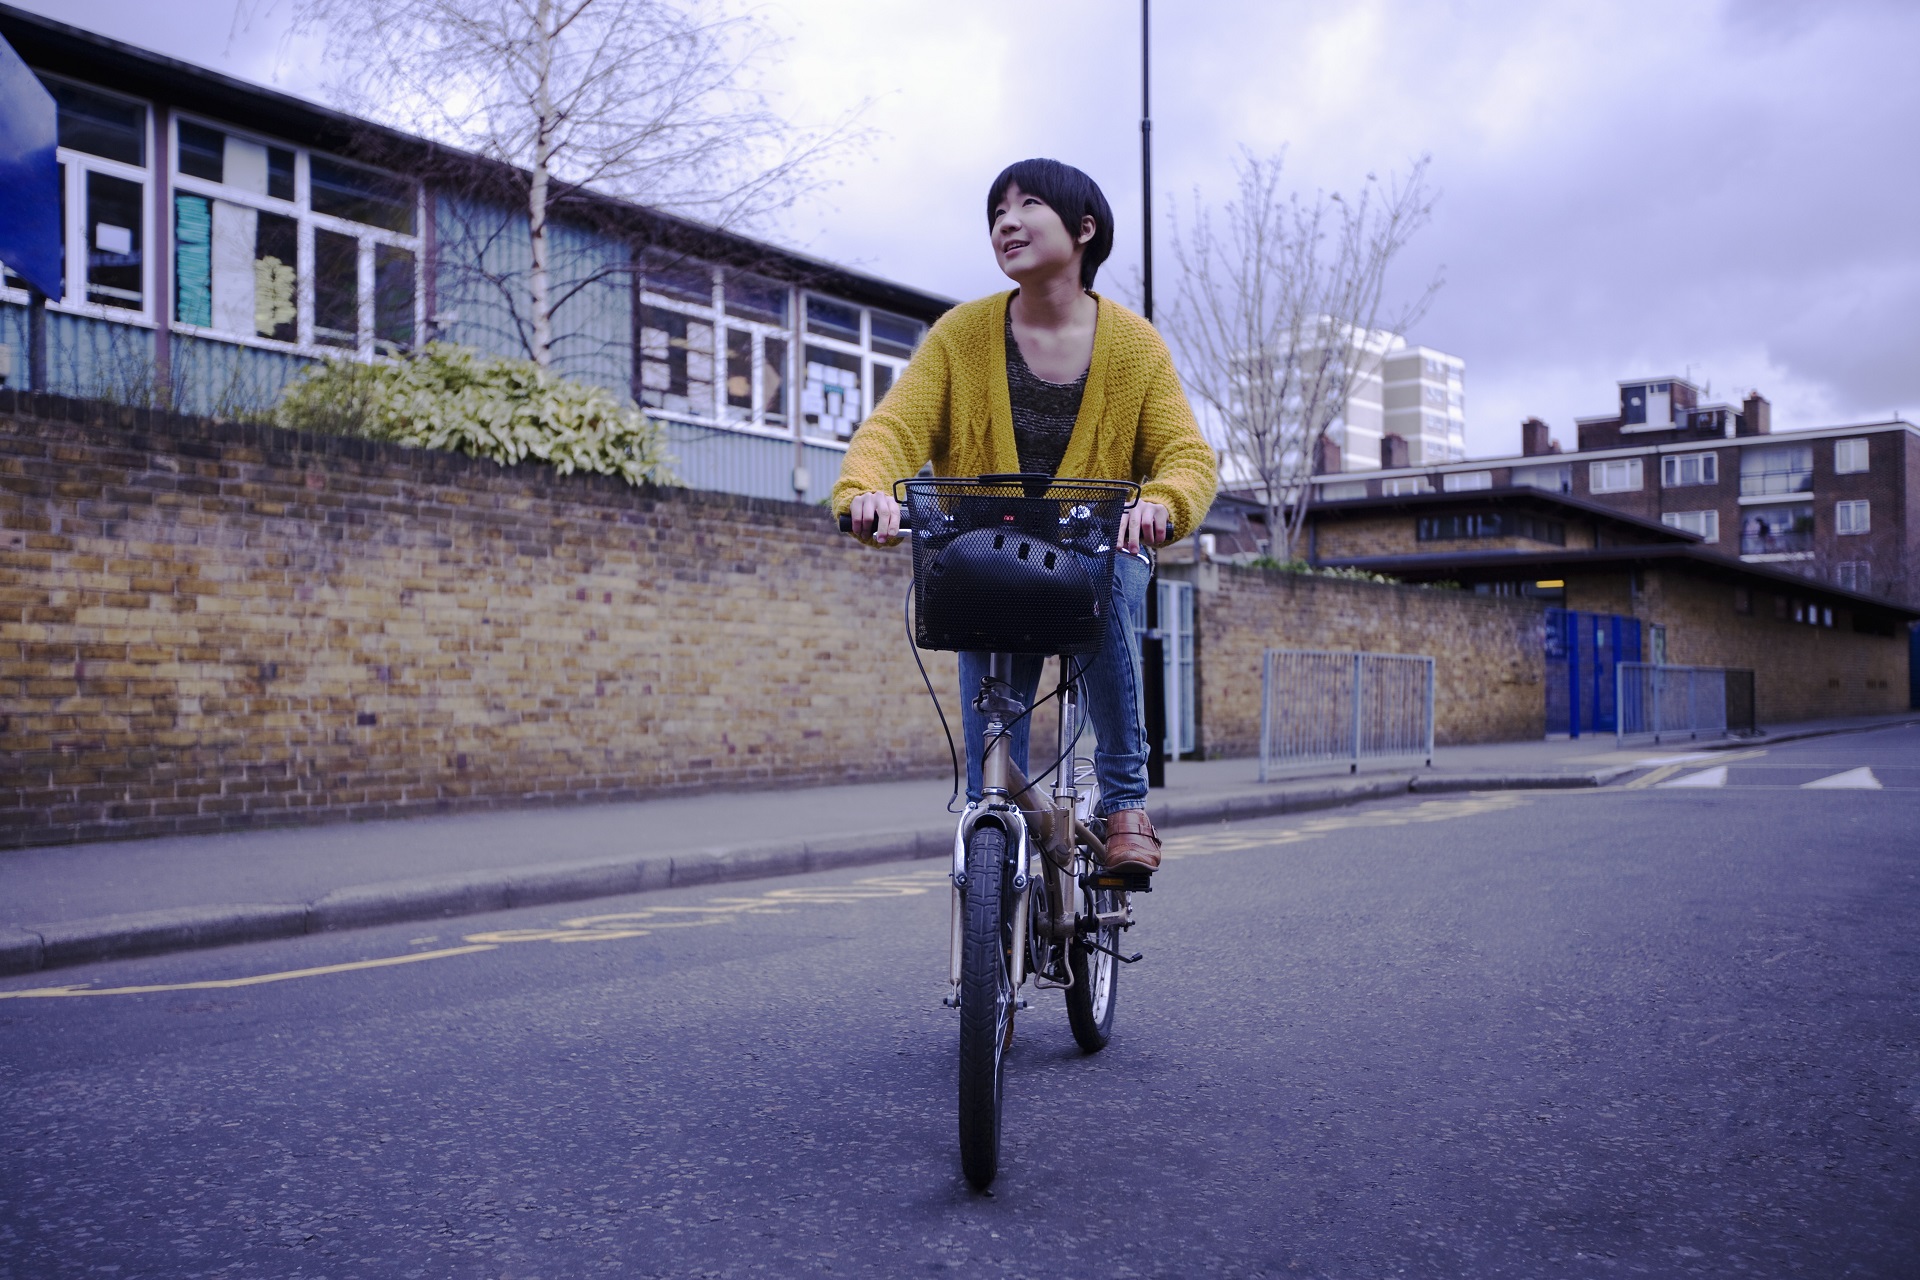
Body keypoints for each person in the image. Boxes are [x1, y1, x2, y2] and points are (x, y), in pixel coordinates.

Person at [832, 158, 1216, 874]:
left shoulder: (1134, 348)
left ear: (1085, 229)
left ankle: (1127, 800)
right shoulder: (961, 335)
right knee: (988, 737)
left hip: (1096, 546)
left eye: (1027, 204)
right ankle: (995, 818)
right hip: (991, 551)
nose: (1006, 221)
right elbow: (893, 429)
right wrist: (868, 489)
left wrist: (1162, 503)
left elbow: (1187, 455)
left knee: (1109, 586)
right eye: (995, 212)